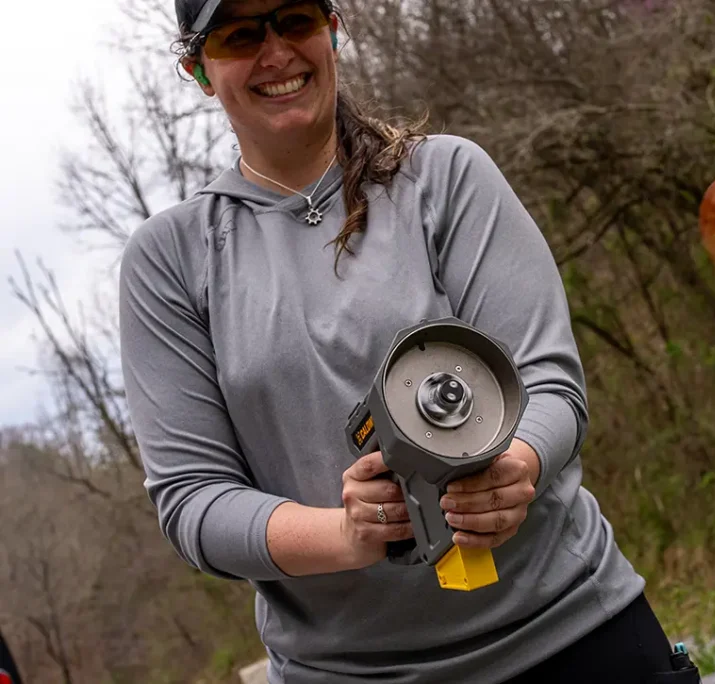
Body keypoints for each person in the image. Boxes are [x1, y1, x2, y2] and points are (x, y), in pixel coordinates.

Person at [119, 0, 682, 682]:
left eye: (294, 20)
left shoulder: (446, 177)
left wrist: (520, 465)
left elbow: (550, 381)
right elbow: (194, 501)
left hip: (574, 632)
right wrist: (349, 533)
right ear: (200, 70)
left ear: (331, 29)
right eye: (240, 35)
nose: (275, 52)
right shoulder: (171, 260)